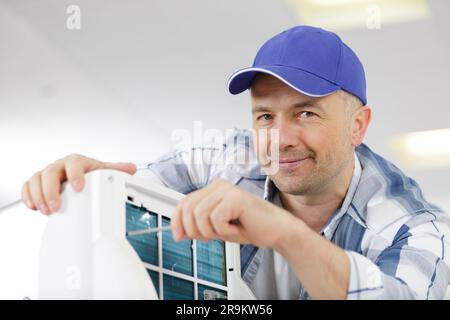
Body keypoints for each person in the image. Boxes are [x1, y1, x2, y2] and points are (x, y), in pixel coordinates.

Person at [21, 26, 450, 299]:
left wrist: (284, 233)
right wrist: (90, 185)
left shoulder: (415, 226)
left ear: (358, 126)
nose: (278, 139)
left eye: (306, 113)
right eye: (265, 115)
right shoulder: (228, 160)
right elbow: (133, 190)